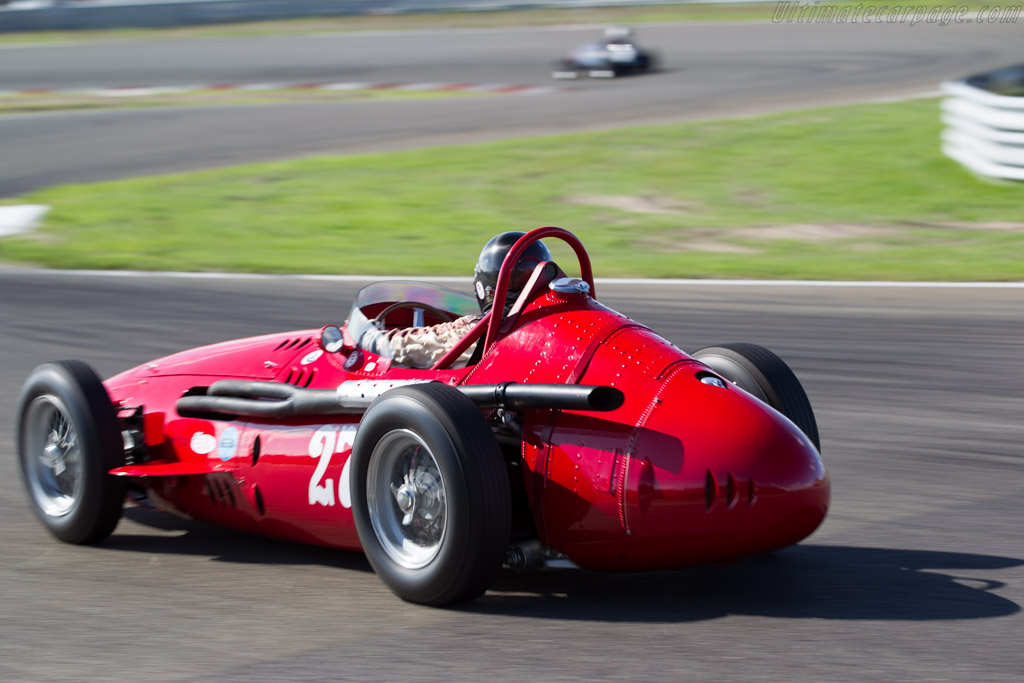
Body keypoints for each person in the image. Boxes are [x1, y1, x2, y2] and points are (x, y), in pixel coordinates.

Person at [378, 232, 551, 369]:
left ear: (488, 287)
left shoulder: (482, 329)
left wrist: (372, 338)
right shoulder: (554, 312)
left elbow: (411, 346)